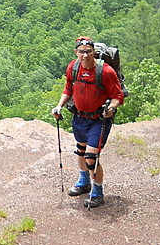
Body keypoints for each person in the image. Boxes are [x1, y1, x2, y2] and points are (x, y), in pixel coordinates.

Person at [51, 37, 125, 207]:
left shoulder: (105, 72)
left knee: (91, 157)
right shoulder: (73, 67)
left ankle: (97, 191)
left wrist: (111, 108)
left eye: (88, 51)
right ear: (75, 52)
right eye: (81, 51)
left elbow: (118, 96)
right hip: (79, 117)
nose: (85, 55)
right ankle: (84, 183)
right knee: (81, 150)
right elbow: (68, 88)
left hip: (99, 120)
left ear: (94, 52)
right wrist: (59, 106)